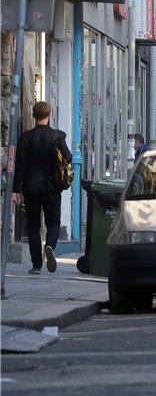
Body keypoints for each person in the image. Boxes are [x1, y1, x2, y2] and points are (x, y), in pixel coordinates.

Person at [11, 101, 72, 274]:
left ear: (33, 115)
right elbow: (68, 157)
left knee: (33, 226)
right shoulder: (57, 136)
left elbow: (20, 166)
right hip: (52, 187)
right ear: (50, 114)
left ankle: (36, 265)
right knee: (53, 223)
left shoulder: (25, 138)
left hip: (30, 188)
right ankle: (50, 247)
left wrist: (16, 190)